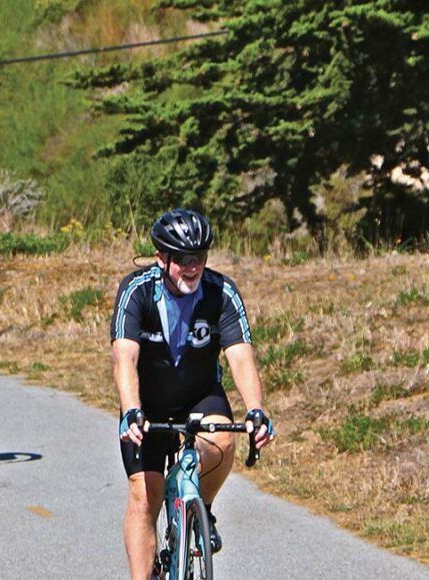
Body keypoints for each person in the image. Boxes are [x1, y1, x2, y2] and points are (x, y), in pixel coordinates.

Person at [110, 208, 274, 579]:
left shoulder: (221, 292)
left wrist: (256, 410)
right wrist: (132, 411)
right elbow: (124, 358)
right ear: (161, 258)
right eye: (182, 259)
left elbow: (240, 356)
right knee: (144, 494)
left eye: (198, 257)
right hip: (148, 405)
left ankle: (204, 506)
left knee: (223, 442)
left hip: (200, 395)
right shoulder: (137, 292)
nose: (192, 267)